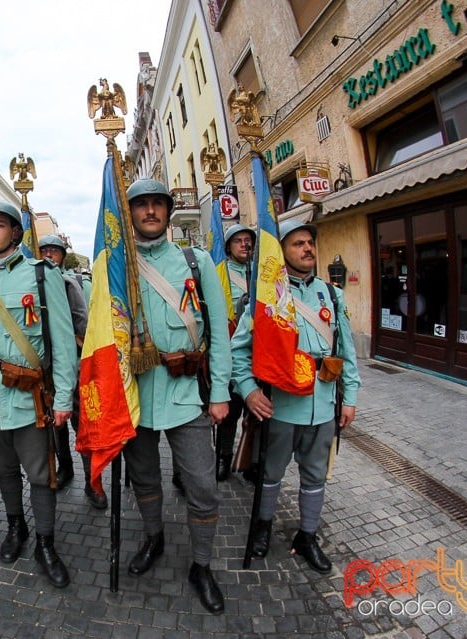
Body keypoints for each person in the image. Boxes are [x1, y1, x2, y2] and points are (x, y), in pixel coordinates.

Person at [122, 178, 230, 614]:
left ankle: (201, 566)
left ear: (168, 212)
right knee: (145, 480)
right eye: (141, 205)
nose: (150, 212)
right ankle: (154, 537)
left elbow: (219, 333)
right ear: (129, 214)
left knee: (203, 486)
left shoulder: (196, 260)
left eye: (157, 205)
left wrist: (220, 392)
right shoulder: (116, 265)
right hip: (138, 397)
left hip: (188, 394)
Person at [230, 219, 361, 574]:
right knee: (270, 474)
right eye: (298, 244)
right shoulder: (268, 297)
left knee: (316, 476)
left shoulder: (332, 295)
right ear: (282, 252)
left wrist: (348, 398)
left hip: (323, 407)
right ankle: (263, 526)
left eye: (310, 243)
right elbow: (238, 351)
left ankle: (306, 536)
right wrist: (250, 391)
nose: (308, 249)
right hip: (282, 406)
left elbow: (345, 351)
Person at [0, 201, 78, 588]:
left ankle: (46, 543)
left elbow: (64, 341)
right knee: (3, 470)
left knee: (41, 474)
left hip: (32, 397)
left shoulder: (41, 274)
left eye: (0, 225)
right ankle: (16, 527)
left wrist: (64, 397)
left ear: (15, 233)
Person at [38, 233, 106, 509]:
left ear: (62, 256)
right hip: (45, 370)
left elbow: (83, 326)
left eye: (54, 251)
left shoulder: (70, 283)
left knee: (82, 424)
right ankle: (65, 468)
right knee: (56, 427)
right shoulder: (34, 282)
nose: (49, 256)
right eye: (45, 251)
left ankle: (93, 481)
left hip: (75, 367)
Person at [216, 224, 256, 482]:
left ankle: (252, 460)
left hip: (260, 351)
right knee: (230, 412)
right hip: (231, 350)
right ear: (229, 248)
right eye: (238, 241)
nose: (244, 245)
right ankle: (223, 457)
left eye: (247, 240)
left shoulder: (265, 271)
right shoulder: (221, 273)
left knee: (257, 413)